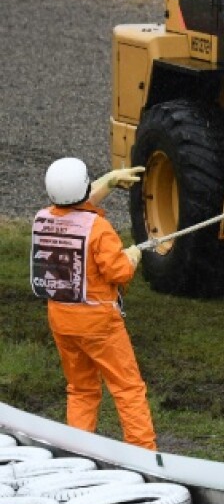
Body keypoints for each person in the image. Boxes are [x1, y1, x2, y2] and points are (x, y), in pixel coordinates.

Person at [31, 158, 156, 450]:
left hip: (61, 320)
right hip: (99, 324)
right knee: (127, 389)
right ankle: (143, 454)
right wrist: (134, 254)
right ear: (85, 186)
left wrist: (110, 180)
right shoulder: (99, 229)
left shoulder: (41, 219)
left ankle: (77, 452)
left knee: (81, 389)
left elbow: (72, 208)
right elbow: (119, 272)